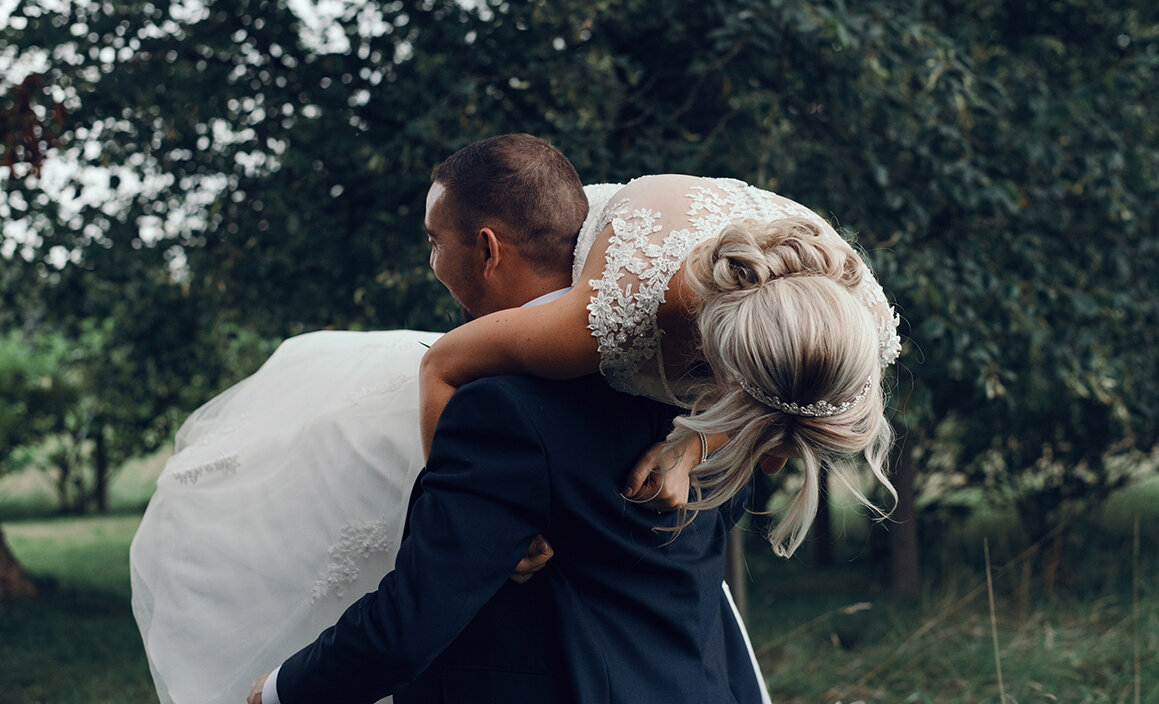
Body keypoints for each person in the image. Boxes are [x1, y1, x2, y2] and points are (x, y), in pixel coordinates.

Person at [250, 371, 766, 704]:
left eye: (435, 242)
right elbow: (722, 512)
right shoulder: (716, 388)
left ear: (487, 248)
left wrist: (281, 691)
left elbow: (412, 621)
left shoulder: (498, 405)